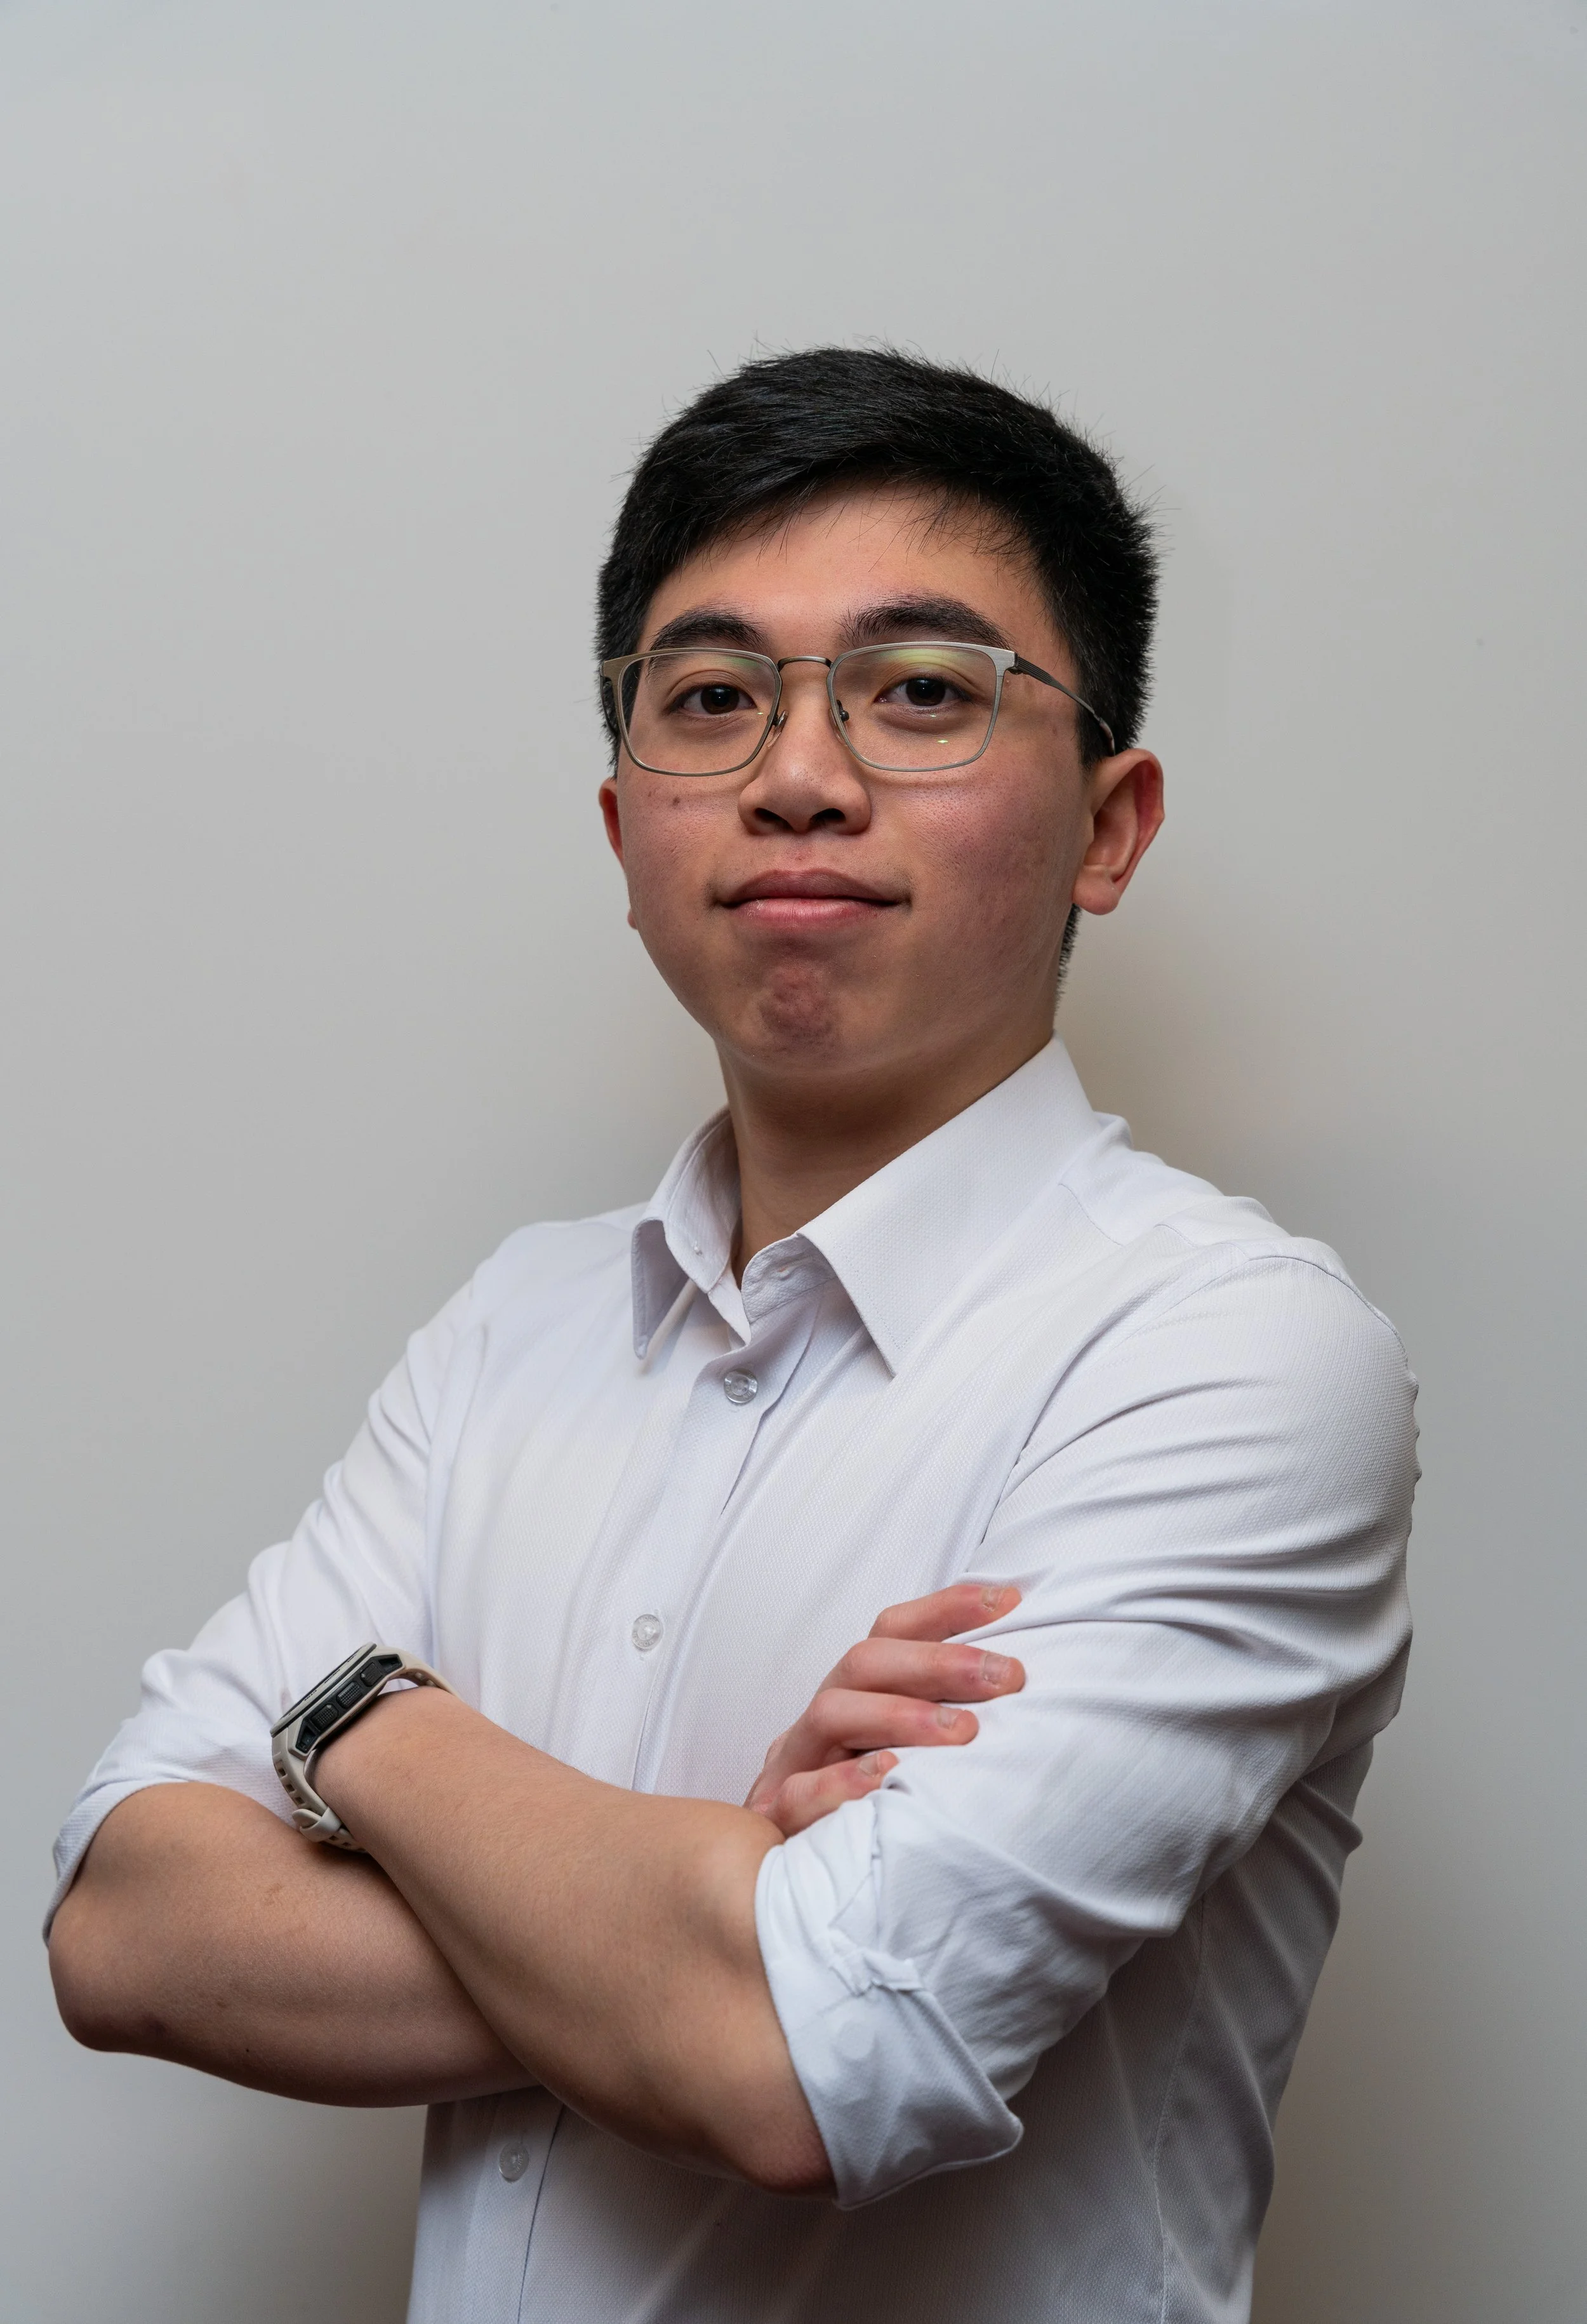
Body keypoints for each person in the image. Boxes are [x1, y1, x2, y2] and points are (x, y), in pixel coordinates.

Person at [47, 347, 1417, 2323]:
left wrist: (358, 1727)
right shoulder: (513, 1326)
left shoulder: (1225, 1353)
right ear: (625, 832)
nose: (795, 771)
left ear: (1109, 827)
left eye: (924, 690)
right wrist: (703, 1901)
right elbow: (121, 1930)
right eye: (710, 697)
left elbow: (795, 2056)